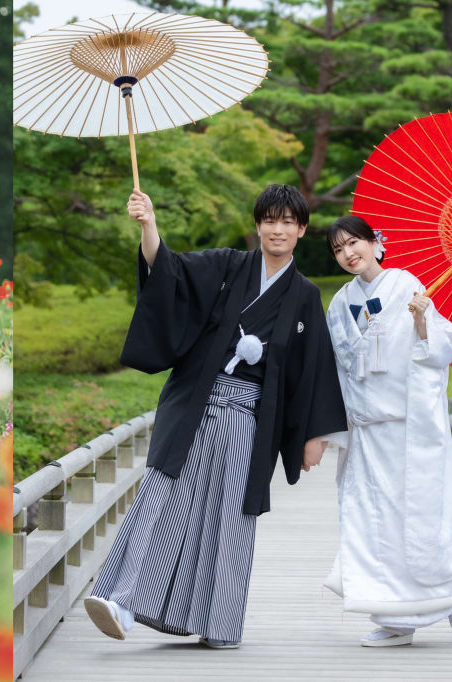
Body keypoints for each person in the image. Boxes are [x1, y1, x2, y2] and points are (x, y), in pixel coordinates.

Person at [84, 185, 348, 648]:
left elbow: (314, 367)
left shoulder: (304, 295)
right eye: (270, 219)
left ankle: (218, 622)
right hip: (195, 406)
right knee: (164, 497)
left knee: (228, 515)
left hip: (249, 418)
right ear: (258, 225)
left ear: (302, 230)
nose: (278, 228)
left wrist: (315, 436)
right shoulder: (227, 266)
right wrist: (149, 225)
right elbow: (168, 271)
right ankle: (122, 601)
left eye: (288, 221)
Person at [321, 215, 452, 647]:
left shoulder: (408, 284)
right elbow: (337, 369)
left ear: (376, 243)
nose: (349, 253)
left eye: (355, 243)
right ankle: (396, 618)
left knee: (421, 519)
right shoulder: (338, 304)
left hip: (408, 430)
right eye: (338, 249)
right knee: (377, 526)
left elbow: (443, 347)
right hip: (366, 432)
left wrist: (424, 320)